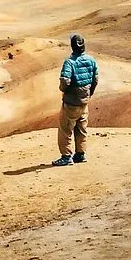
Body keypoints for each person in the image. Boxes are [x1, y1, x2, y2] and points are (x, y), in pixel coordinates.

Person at [53, 33, 98, 166]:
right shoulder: (91, 60)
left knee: (65, 129)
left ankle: (66, 157)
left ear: (72, 47)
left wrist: (63, 90)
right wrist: (89, 94)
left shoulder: (70, 62)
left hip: (71, 103)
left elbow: (65, 80)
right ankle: (80, 154)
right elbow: (95, 80)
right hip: (84, 102)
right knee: (81, 128)